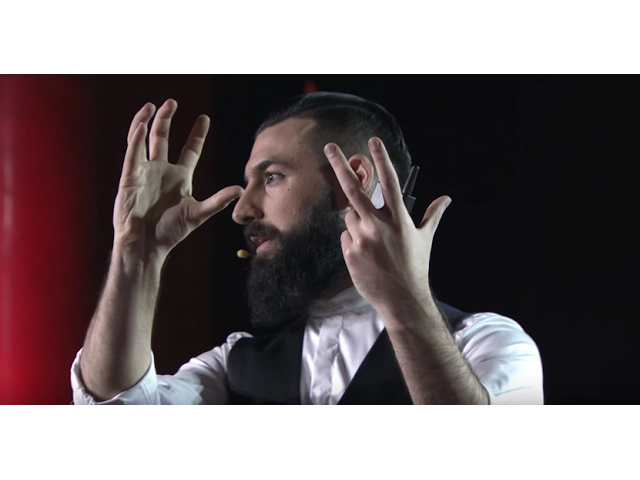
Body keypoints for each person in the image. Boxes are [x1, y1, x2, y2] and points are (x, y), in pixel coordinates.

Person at [70, 92, 544, 405]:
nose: (242, 210)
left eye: (272, 177)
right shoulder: (232, 365)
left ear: (350, 181)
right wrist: (135, 255)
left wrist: (406, 302)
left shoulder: (489, 344)